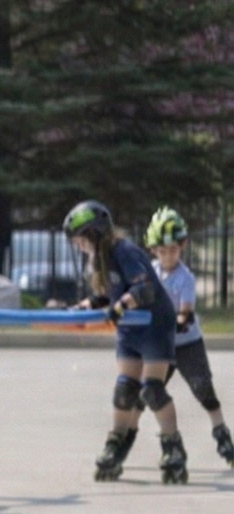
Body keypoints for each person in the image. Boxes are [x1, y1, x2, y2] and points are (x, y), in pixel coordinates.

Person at [68, 200, 184, 482]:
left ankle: (173, 447)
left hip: (155, 323)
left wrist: (119, 306)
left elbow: (143, 288)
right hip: (131, 327)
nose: (79, 245)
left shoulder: (125, 250)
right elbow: (104, 297)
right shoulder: (100, 260)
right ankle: (115, 444)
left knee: (152, 390)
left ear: (94, 233)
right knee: (124, 390)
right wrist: (78, 308)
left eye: (81, 239)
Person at [147, 208, 234, 467]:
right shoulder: (151, 272)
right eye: (162, 251)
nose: (168, 256)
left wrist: (177, 320)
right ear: (153, 250)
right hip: (162, 345)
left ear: (182, 246)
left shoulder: (185, 278)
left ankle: (222, 434)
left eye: (173, 249)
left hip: (187, 344)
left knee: (202, 388)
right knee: (147, 391)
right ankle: (135, 436)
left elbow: (185, 313)